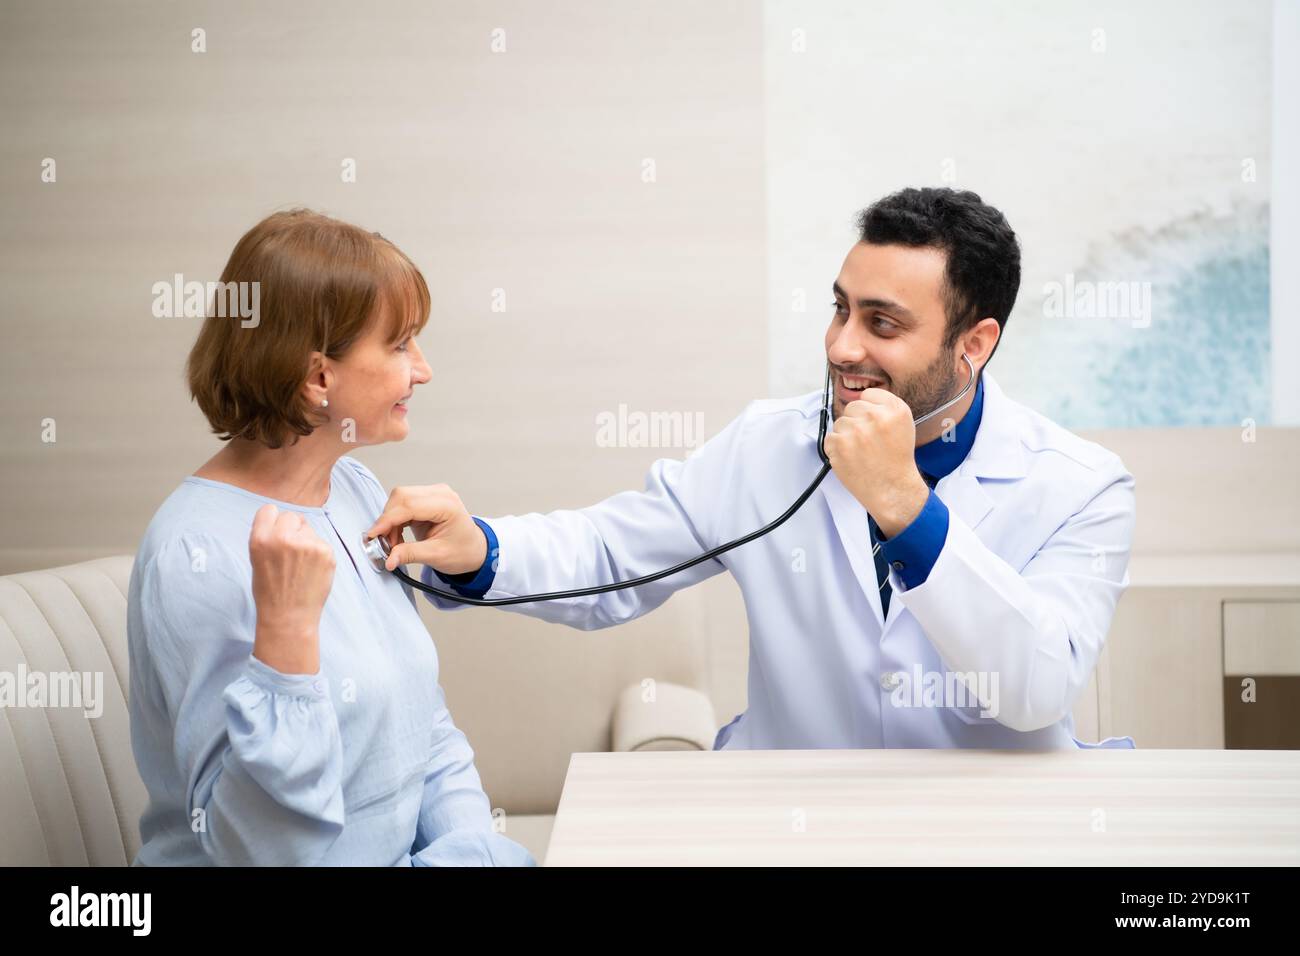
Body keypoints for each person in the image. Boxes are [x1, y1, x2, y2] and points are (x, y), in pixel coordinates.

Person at [368, 188, 1137, 751]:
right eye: (842, 309)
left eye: (883, 323)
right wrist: (481, 554)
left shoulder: (1080, 487)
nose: (841, 347)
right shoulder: (767, 447)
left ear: (973, 344)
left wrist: (906, 505)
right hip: (794, 820)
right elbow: (609, 557)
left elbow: (1035, 691)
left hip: (994, 830)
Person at [128, 208, 535, 865]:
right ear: (319, 376)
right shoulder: (193, 551)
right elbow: (256, 846)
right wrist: (286, 636)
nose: (422, 370)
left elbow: (423, 730)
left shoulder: (357, 492)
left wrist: (474, 850)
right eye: (401, 345)